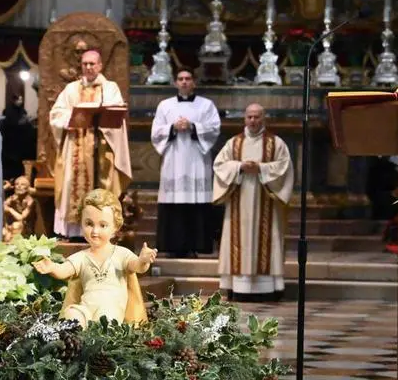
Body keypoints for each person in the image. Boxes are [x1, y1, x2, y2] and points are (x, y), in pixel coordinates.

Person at [33, 188, 156, 327]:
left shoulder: (121, 254)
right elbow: (64, 270)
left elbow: (137, 267)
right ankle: (77, 341)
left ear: (116, 227)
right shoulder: (82, 257)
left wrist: (143, 260)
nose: (95, 231)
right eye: (89, 224)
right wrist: (52, 267)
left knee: (106, 320)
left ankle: (100, 341)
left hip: (110, 311)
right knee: (71, 314)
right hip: (86, 309)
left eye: (103, 225)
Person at [213, 103, 294, 302]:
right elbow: (220, 165)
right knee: (237, 240)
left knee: (267, 238)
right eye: (249, 117)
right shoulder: (234, 143)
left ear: (264, 119)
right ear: (244, 119)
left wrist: (261, 169)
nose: (253, 121)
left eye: (257, 117)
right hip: (238, 201)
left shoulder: (276, 144)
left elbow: (284, 166)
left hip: (265, 199)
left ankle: (268, 288)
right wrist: (240, 166)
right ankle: (236, 287)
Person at [49, 49, 132, 239]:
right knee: (72, 184)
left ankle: (101, 230)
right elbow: (56, 113)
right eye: (85, 63)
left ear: (100, 66)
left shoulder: (109, 88)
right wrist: (69, 119)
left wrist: (100, 118)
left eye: (92, 63)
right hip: (75, 146)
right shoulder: (71, 89)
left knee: (102, 187)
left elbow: (116, 114)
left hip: (101, 147)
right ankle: (74, 232)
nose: (88, 67)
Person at [150, 68, 221, 258]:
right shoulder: (165, 106)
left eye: (188, 78)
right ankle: (172, 246)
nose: (184, 82)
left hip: (197, 160)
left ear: (194, 82)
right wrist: (172, 128)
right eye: (180, 79)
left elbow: (214, 129)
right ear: (175, 83)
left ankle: (198, 245)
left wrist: (193, 126)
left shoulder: (206, 106)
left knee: (197, 202)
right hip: (173, 161)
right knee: (173, 203)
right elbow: (156, 132)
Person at [0, 94, 37, 181]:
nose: (20, 101)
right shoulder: (9, 111)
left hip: (21, 144)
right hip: (11, 145)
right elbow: (11, 124)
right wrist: (20, 122)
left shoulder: (23, 111)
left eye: (21, 99)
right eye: (19, 99)